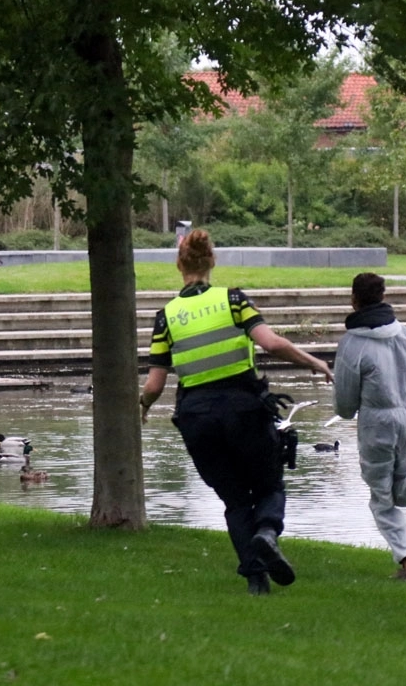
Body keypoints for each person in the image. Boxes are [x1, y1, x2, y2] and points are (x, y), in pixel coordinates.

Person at [139, 229, 334, 596]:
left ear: (179, 265)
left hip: (197, 418)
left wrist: (143, 409)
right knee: (269, 484)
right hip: (244, 409)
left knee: (234, 500)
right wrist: (313, 362)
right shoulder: (233, 300)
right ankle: (266, 532)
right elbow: (271, 343)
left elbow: (153, 385)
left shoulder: (166, 317)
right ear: (212, 261)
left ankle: (256, 580)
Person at [333, 272, 406, 581]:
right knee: (403, 490)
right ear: (383, 298)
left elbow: (344, 405)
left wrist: (349, 411)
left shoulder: (352, 345)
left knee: (382, 499)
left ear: (354, 300)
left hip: (379, 427)